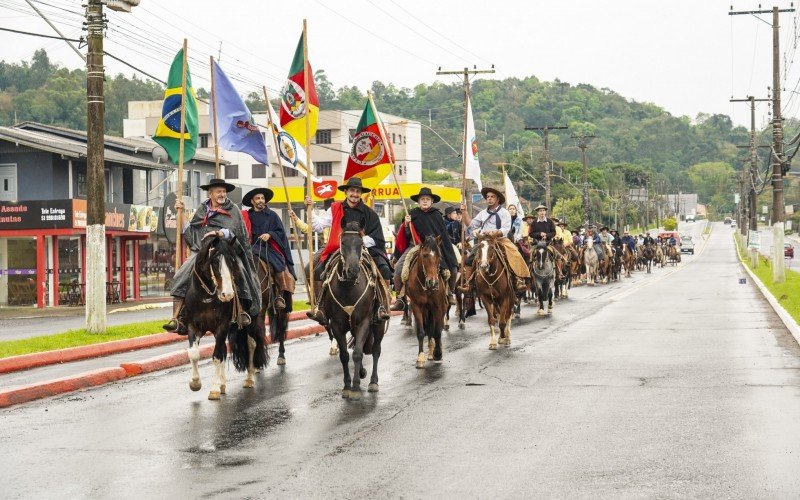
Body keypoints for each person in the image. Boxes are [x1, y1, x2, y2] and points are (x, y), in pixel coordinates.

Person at [163, 178, 261, 333]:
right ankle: (177, 317)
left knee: (241, 271)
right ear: (211, 193)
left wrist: (221, 232)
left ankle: (242, 311)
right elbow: (191, 230)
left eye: (223, 191)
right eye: (218, 191)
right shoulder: (202, 209)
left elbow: (237, 231)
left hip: (227, 249)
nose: (222, 194)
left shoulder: (232, 209)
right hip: (203, 250)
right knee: (181, 273)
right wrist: (180, 212)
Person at [304, 177, 393, 325]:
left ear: (361, 194)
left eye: (358, 191)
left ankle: (383, 307)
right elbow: (317, 226)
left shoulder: (370, 213)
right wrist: (310, 209)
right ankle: (321, 308)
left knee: (384, 269)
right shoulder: (335, 208)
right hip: (338, 249)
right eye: (352, 190)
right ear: (346, 192)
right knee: (316, 270)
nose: (355, 194)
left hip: (364, 250)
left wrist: (358, 242)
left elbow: (377, 238)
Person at [392, 187, 459, 309]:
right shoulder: (412, 214)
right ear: (418, 201)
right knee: (398, 269)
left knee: (453, 267)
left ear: (432, 201)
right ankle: (400, 299)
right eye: (422, 199)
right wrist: (406, 224)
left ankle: (450, 293)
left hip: (435, 248)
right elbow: (406, 235)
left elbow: (442, 234)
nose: (424, 201)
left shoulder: (437, 215)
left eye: (427, 199)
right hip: (416, 246)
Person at [459, 186, 530, 292]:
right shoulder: (482, 213)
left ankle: (518, 280)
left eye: (492, 197)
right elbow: (471, 225)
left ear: (497, 199)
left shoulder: (505, 212)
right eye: (488, 197)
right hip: (484, 241)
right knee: (469, 259)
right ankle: (468, 284)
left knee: (515, 253)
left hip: (500, 239)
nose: (489, 199)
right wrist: (464, 212)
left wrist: (495, 232)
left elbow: (506, 228)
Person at [241, 187, 296, 310]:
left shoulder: (272, 215)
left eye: (262, 198)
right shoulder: (246, 216)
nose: (260, 200)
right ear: (252, 201)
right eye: (257, 198)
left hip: (268, 247)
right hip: (251, 247)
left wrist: (270, 234)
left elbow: (280, 232)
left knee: (279, 264)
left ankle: (280, 295)